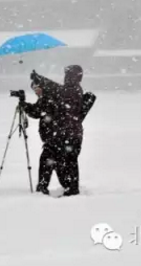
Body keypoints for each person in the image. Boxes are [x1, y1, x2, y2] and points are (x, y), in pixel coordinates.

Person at [31, 65, 86, 197]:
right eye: (65, 74)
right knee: (58, 160)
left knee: (63, 160)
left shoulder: (74, 90)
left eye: (68, 75)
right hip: (65, 135)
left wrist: (41, 80)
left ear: (75, 76)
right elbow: (54, 94)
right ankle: (64, 187)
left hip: (69, 135)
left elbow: (58, 91)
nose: (66, 77)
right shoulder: (68, 90)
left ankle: (70, 189)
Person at [21, 81, 63, 195]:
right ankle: (67, 186)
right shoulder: (46, 97)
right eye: (33, 89)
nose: (36, 91)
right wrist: (25, 104)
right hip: (55, 138)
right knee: (56, 162)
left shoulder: (48, 97)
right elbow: (37, 110)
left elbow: (37, 111)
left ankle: (43, 188)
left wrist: (24, 105)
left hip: (55, 138)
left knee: (47, 161)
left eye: (37, 88)